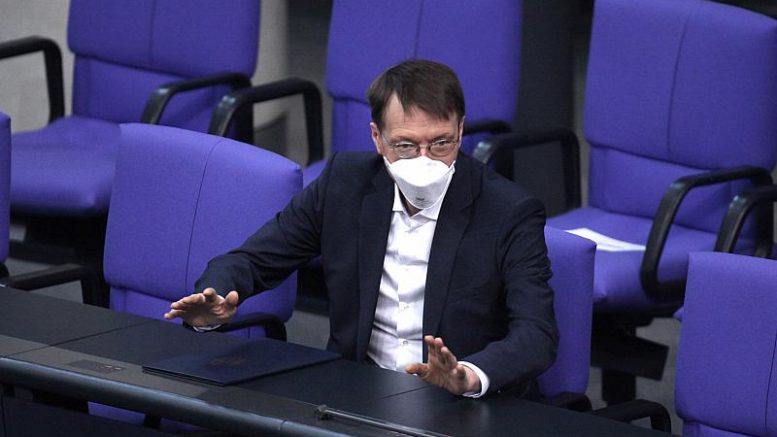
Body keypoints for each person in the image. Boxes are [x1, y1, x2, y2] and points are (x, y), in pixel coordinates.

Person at [165, 59, 558, 399]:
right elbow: (252, 260)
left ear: (461, 130)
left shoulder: (508, 211)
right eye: (405, 146)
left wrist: (469, 375)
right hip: (357, 393)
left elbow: (536, 334)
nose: (425, 160)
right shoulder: (344, 184)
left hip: (458, 407)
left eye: (441, 143)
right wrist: (214, 301)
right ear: (377, 138)